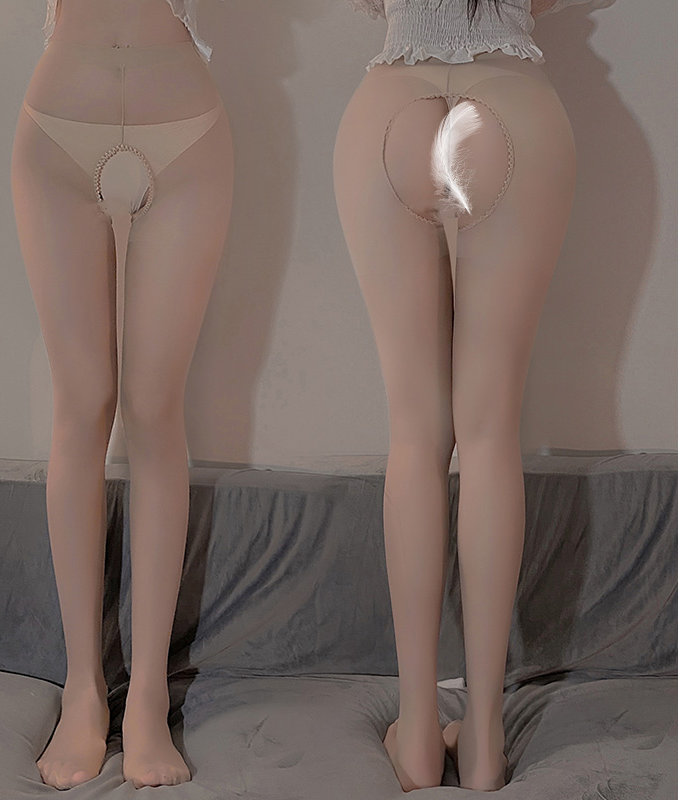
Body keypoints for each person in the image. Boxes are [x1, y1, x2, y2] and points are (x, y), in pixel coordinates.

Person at [333, 0, 614, 791]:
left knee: (415, 433)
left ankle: (419, 735)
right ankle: (485, 741)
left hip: (391, 100)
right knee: (489, 435)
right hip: (514, 101)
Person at [9, 0, 233, 790]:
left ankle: (146, 699)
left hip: (186, 128)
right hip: (58, 123)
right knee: (81, 405)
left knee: (154, 408)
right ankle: (83, 688)